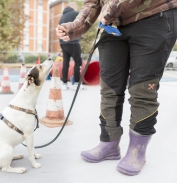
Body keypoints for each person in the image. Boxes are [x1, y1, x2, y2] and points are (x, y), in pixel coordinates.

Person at [56, 0, 177, 176]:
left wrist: (110, 11)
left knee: (142, 90)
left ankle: (137, 151)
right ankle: (109, 143)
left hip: (154, 15)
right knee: (109, 89)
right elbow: (94, 2)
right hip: (113, 24)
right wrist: (75, 26)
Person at [58, 2, 84, 90]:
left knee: (66, 63)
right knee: (78, 62)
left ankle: (64, 83)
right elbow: (81, 24)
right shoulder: (75, 14)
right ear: (74, 7)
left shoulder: (62, 16)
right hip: (73, 42)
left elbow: (59, 29)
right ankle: (76, 83)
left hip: (63, 43)